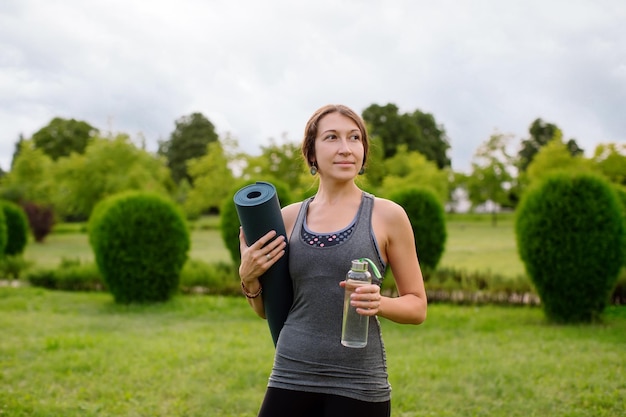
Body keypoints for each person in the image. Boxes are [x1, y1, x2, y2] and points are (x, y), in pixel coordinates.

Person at [238, 104, 427, 417]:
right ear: (311, 154)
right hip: (290, 372)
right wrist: (248, 277)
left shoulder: (388, 216)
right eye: (332, 138)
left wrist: (380, 302)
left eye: (354, 138)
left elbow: (417, 306)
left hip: (359, 383)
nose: (346, 149)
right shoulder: (287, 219)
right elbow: (266, 310)